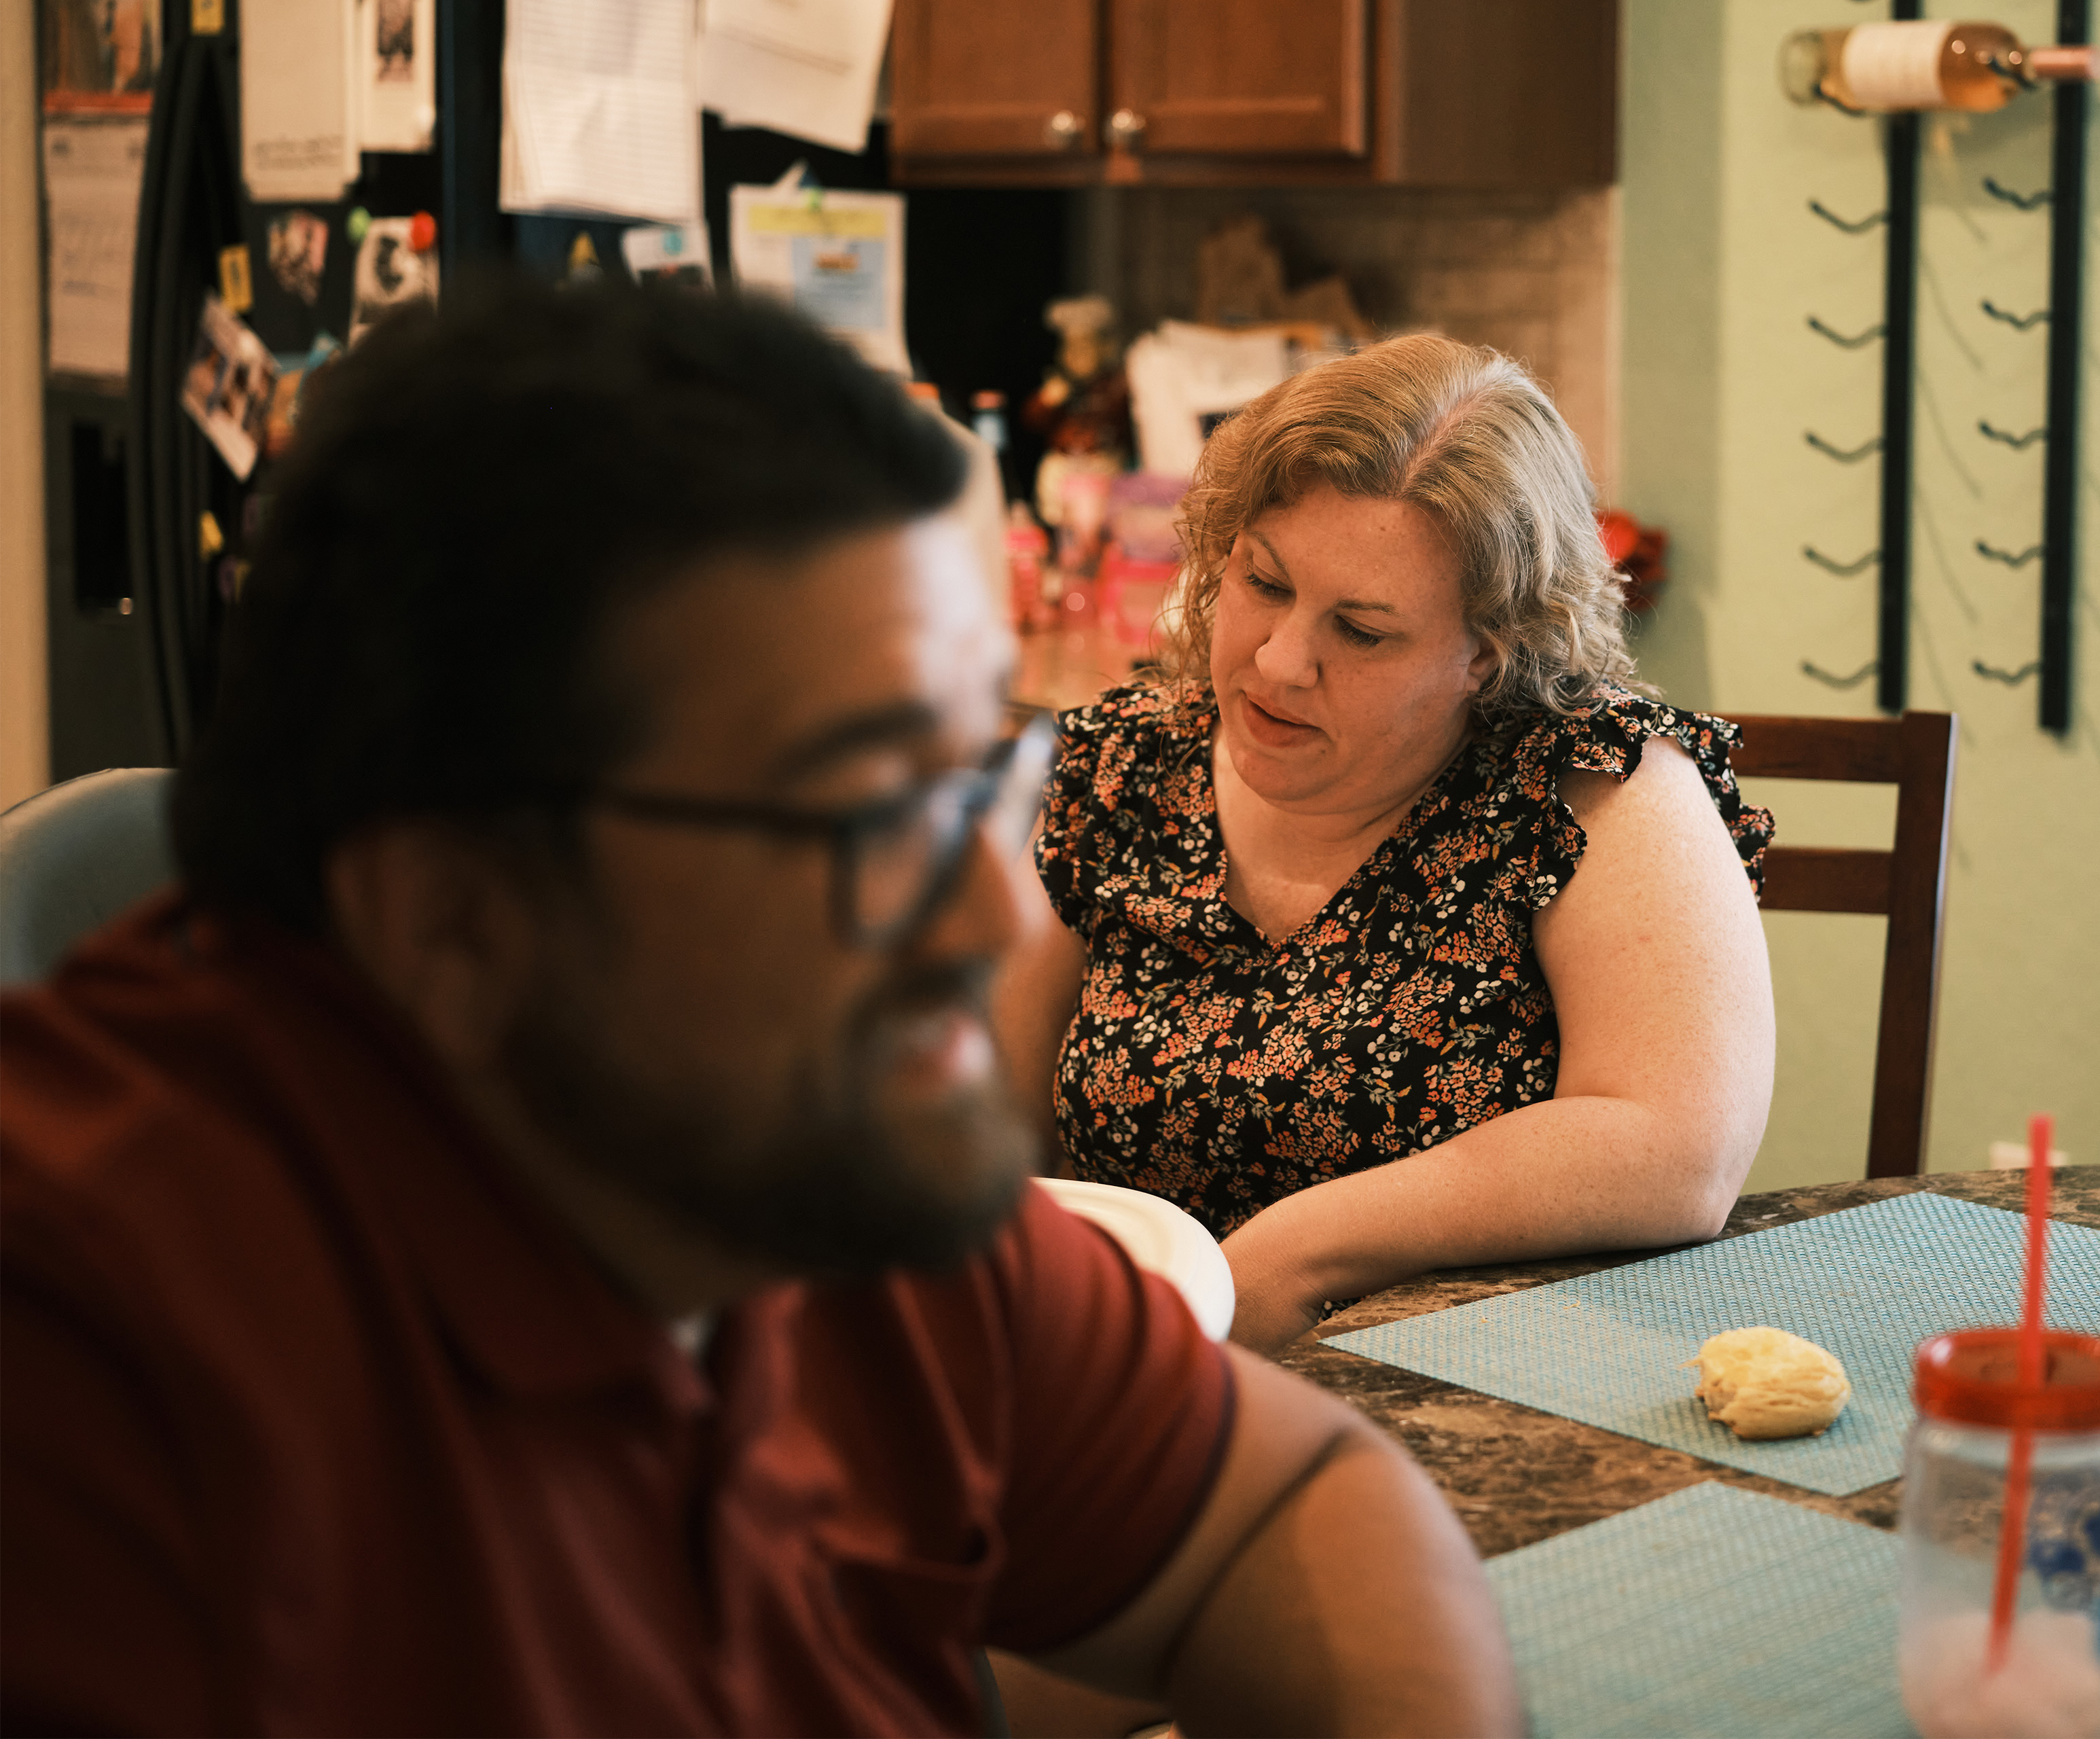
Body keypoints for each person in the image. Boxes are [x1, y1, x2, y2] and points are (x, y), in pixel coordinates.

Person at [0, 279, 1519, 1738]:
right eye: (863, 818)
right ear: (450, 917)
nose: (985, 920)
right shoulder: (93, 1377)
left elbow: (1293, 1508)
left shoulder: (803, 1178)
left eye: (970, 785)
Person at [999, 334, 1779, 1353]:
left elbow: (1677, 1148)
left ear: (1486, 655)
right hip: (1141, 1368)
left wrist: (1294, 1254)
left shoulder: (1587, 784)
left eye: (1361, 631)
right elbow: (989, 1135)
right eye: (1263, 583)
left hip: (1490, 1382)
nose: (1281, 663)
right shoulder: (1117, 771)